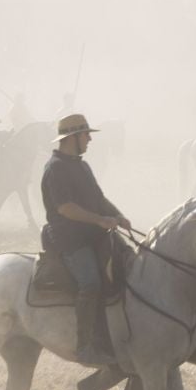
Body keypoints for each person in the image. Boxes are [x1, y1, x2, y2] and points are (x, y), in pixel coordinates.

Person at [41, 113, 130, 366]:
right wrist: (100, 220)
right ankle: (85, 346)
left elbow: (99, 199)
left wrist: (118, 215)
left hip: (93, 234)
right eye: (86, 135)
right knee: (90, 283)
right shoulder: (55, 168)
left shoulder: (81, 165)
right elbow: (65, 208)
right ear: (73, 138)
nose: (90, 139)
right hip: (70, 239)